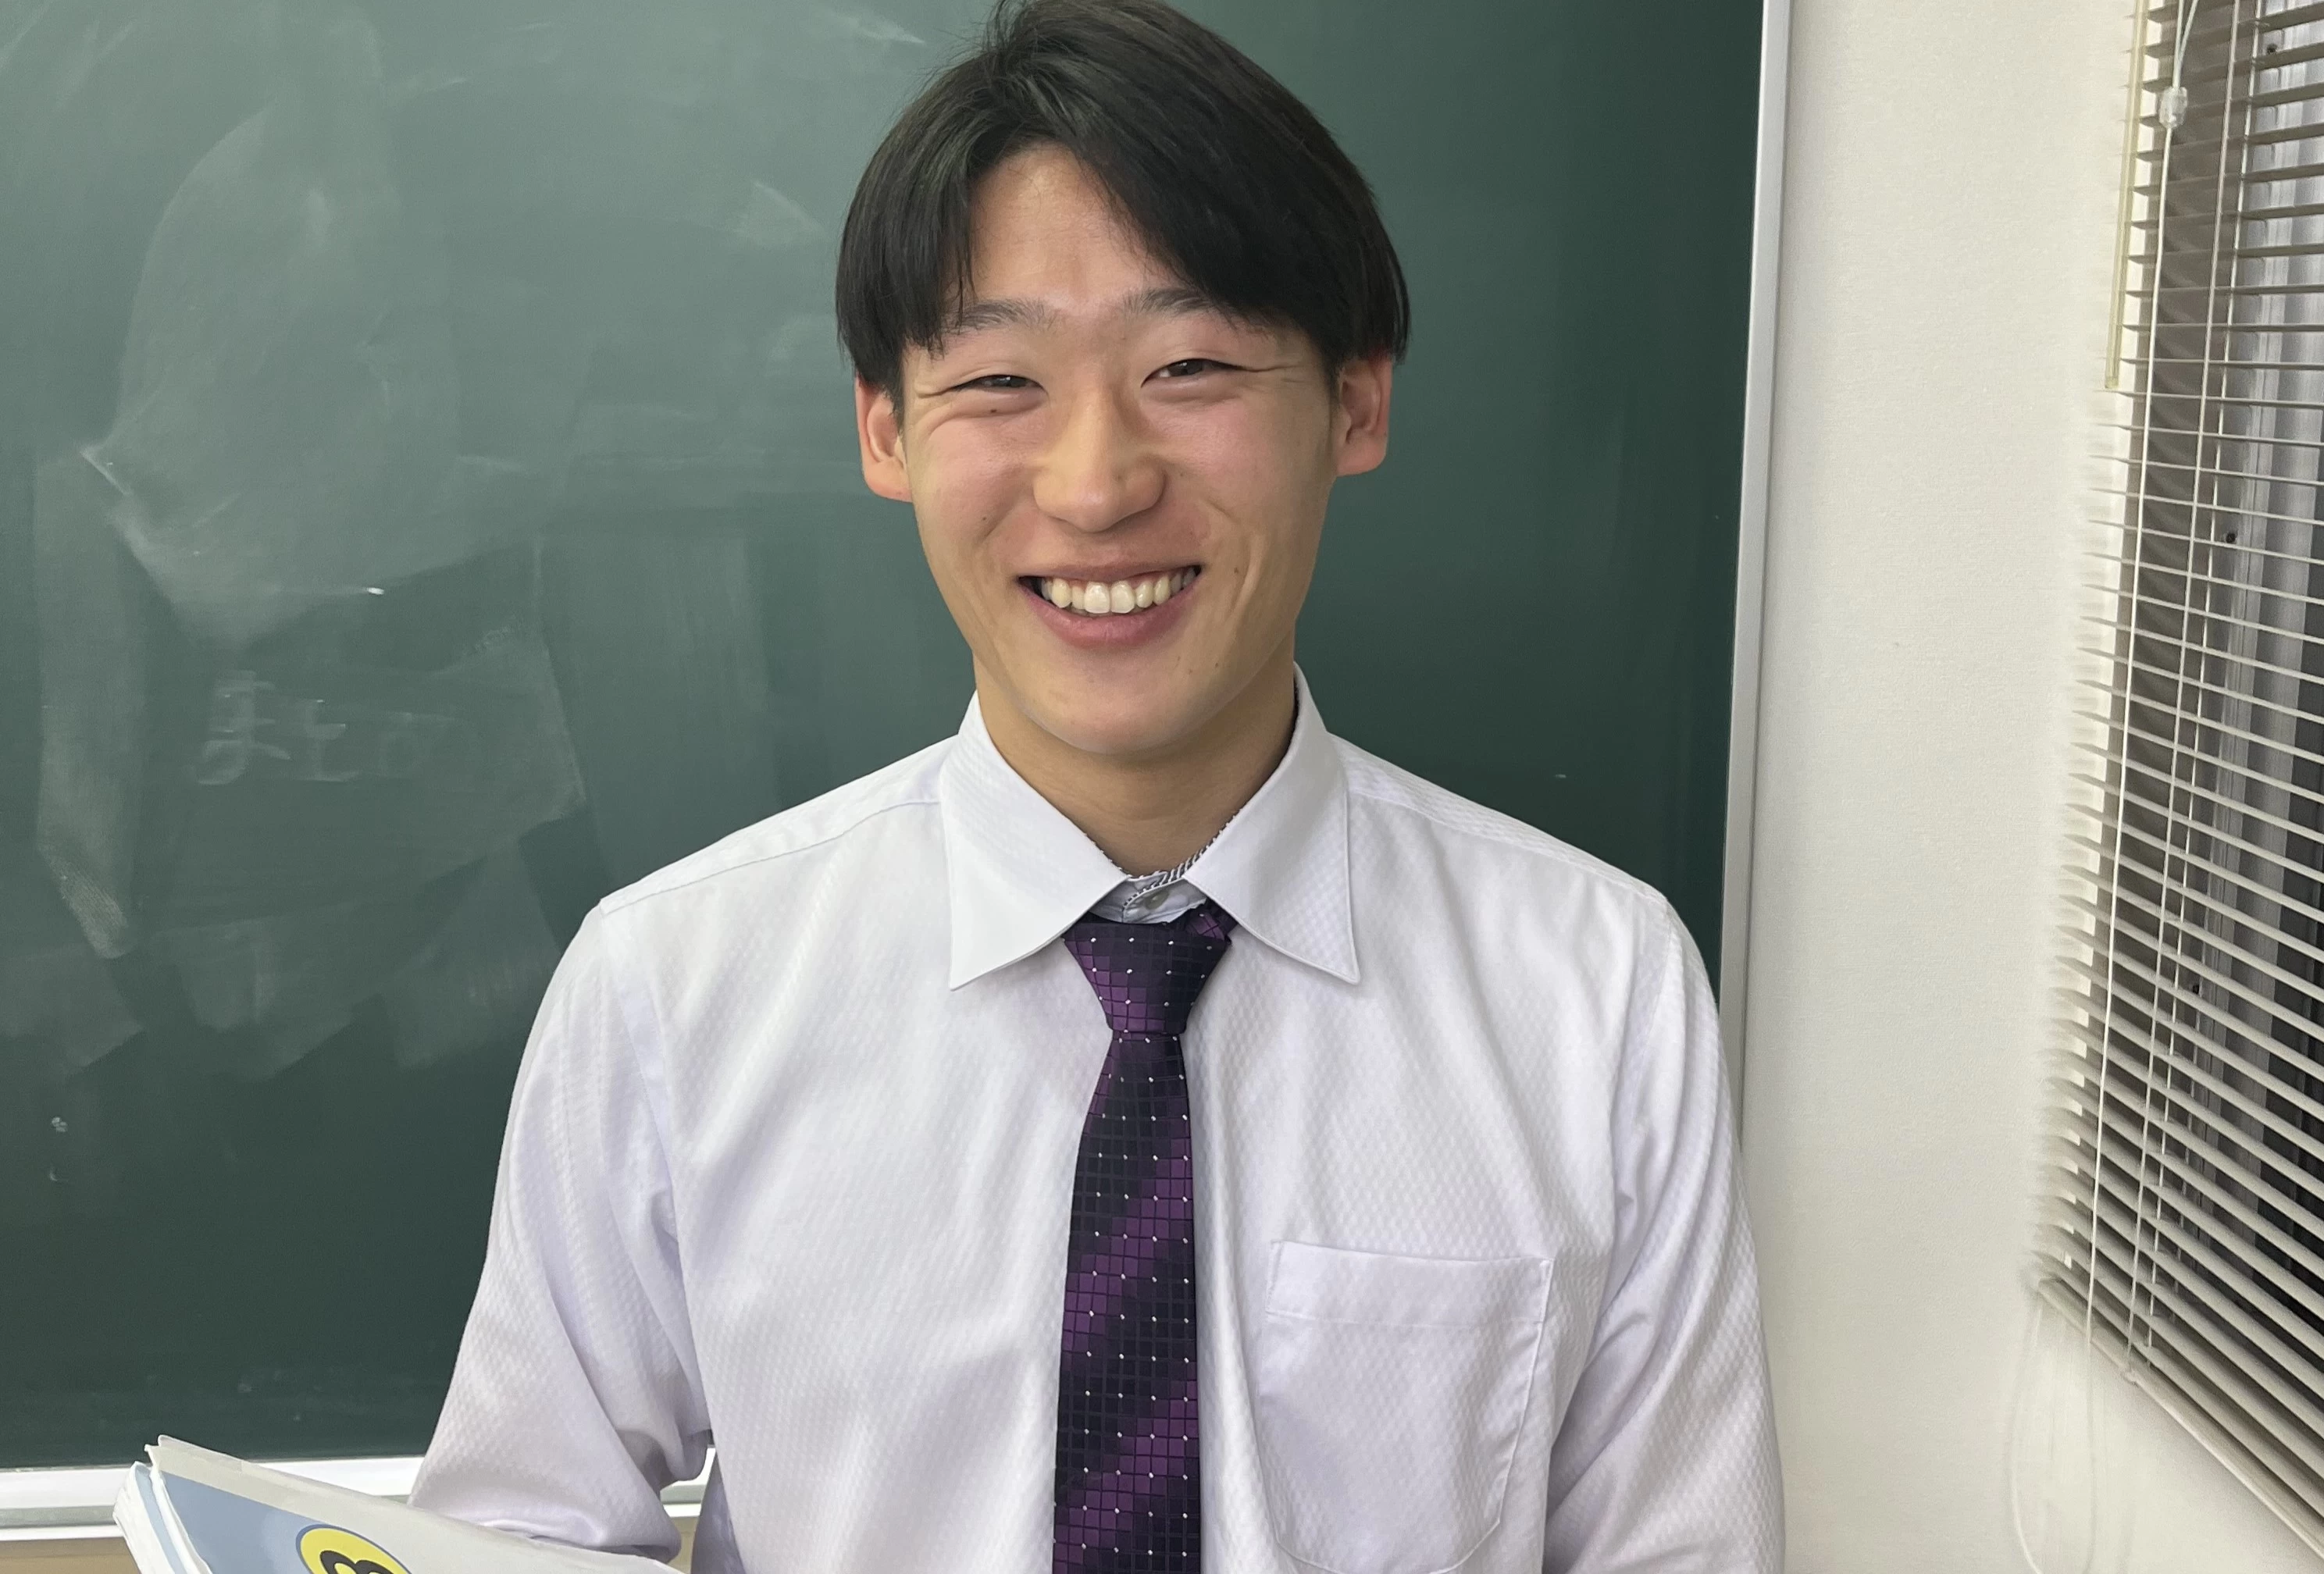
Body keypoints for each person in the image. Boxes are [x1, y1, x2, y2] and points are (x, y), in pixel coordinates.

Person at [409, 2, 1782, 1570]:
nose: (1097, 483)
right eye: (1001, 382)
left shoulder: (1595, 993)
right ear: (885, 431)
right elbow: (509, 1537)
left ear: (1356, 400)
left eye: (1189, 364)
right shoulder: (672, 990)